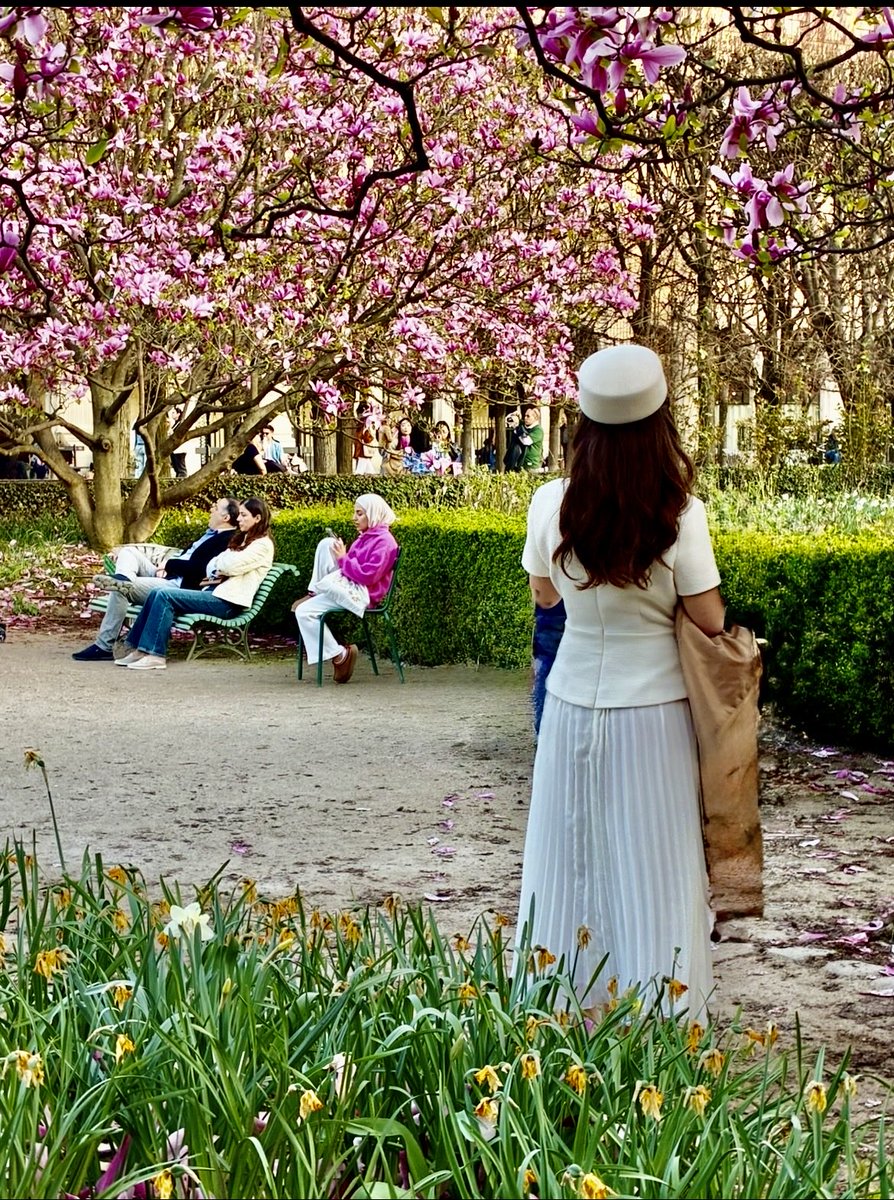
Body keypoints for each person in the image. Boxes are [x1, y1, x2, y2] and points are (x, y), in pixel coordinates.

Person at [514, 343, 725, 1016]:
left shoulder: (550, 502)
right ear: (661, 420)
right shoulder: (679, 513)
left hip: (572, 700)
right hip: (655, 710)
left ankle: (566, 1002)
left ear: (583, 422)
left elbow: (545, 597)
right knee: (656, 867)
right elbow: (709, 618)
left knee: (569, 857)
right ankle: (659, 1012)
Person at [73, 499, 241, 662]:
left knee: (120, 589)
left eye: (216, 507)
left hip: (177, 584)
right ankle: (123, 577)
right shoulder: (209, 535)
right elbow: (187, 557)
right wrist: (164, 567)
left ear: (225, 518)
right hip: (167, 574)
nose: (211, 509)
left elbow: (199, 568)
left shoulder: (225, 540)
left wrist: (169, 564)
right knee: (128, 552)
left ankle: (104, 646)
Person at [117, 497, 274, 671]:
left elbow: (228, 565)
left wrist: (221, 565)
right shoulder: (244, 540)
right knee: (157, 592)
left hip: (228, 603)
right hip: (213, 594)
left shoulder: (262, 545)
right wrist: (220, 565)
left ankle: (155, 655)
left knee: (164, 594)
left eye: (244, 515)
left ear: (257, 518)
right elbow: (214, 564)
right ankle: (139, 649)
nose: (238, 519)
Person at [292, 494, 399, 685]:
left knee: (304, 612)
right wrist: (342, 555)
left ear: (373, 514)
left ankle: (340, 654)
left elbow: (367, 576)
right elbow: (354, 566)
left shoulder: (385, 542)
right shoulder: (366, 537)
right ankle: (339, 653)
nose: (354, 518)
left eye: (359, 513)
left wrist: (342, 558)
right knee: (327, 544)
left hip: (363, 594)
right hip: (351, 584)